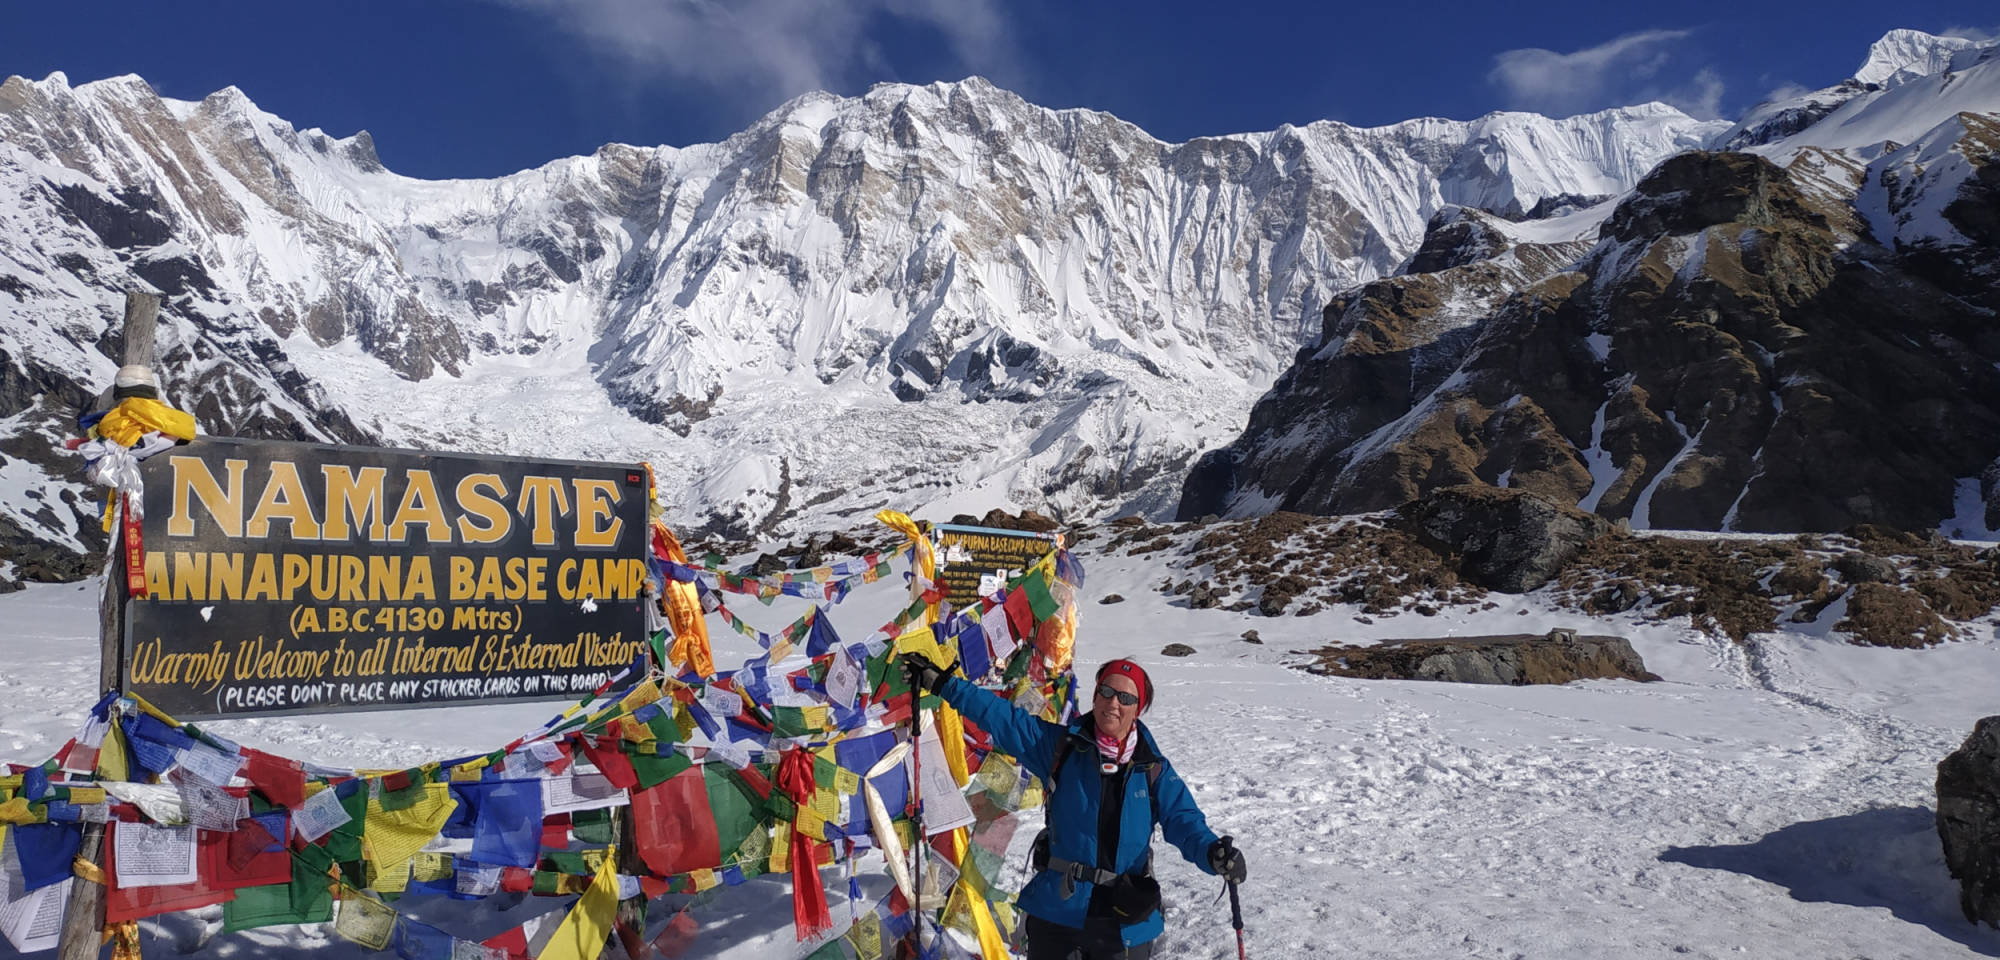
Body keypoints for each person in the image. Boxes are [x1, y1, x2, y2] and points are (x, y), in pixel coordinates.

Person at [905, 655, 1247, 959]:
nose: (1113, 703)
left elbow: (1184, 822)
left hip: (1124, 919)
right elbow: (1001, 718)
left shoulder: (1153, 769)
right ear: (1095, 695)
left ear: (1138, 709)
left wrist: (1212, 852)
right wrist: (944, 684)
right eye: (1107, 692)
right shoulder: (1059, 747)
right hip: (1058, 911)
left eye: (1126, 698)